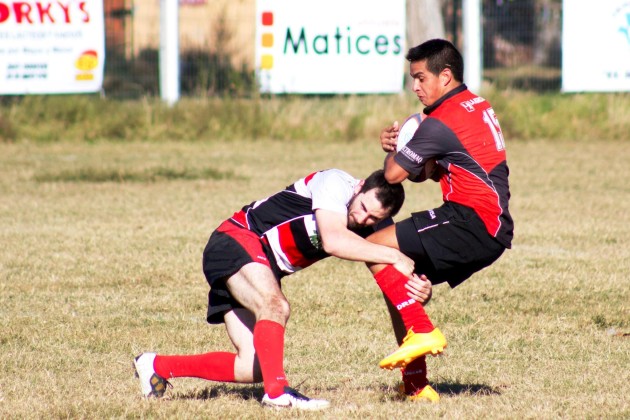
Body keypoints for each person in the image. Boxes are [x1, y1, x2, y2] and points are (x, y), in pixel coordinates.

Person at [133, 168, 430, 410]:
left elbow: (391, 287)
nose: (363, 220)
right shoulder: (336, 183)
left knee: (253, 366)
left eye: (373, 219)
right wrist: (395, 256)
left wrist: (415, 294)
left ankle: (156, 365)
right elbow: (333, 240)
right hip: (236, 239)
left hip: (257, 266)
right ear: (360, 186)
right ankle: (277, 396)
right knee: (274, 306)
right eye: (364, 208)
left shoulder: (371, 226)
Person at [364, 38, 514, 403]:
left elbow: (395, 175)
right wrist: (408, 152)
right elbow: (433, 169)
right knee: (398, 277)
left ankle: (423, 329)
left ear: (445, 76)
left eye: (420, 78)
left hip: (471, 220)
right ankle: (416, 387)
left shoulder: (441, 120)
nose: (414, 88)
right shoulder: (474, 104)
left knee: (373, 247)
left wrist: (394, 150)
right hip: (487, 224)